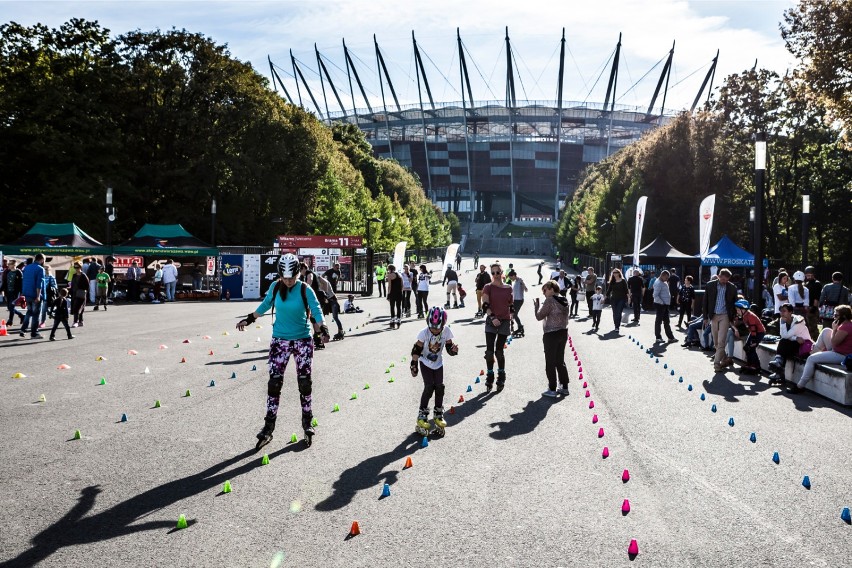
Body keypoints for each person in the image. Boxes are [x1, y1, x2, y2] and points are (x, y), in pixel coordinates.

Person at [235, 253, 329, 449]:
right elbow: (265, 305)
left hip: (302, 340)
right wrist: (250, 318)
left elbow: (317, 310)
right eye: (284, 277)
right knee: (274, 383)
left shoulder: (305, 289)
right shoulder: (276, 287)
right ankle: (268, 428)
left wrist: (324, 328)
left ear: (297, 274)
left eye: (291, 277)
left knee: (304, 383)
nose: (288, 281)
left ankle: (307, 423)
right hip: (280, 341)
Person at [410, 306, 458, 437]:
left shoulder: (447, 331)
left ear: (443, 325)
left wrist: (453, 351)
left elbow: (449, 347)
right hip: (425, 362)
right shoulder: (423, 333)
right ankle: (422, 416)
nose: (435, 330)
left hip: (438, 364)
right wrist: (414, 364)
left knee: (440, 387)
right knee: (429, 387)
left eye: (438, 328)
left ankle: (438, 415)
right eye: (432, 327)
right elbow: (416, 349)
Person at [790, 305, 852, 394]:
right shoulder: (846, 324)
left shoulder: (846, 327)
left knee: (811, 359)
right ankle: (811, 352)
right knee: (826, 330)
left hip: (841, 355)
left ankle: (800, 386)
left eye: (836, 315)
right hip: (838, 350)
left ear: (844, 316)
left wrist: (834, 329)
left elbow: (834, 343)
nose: (834, 317)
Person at [534, 280, 571, 397]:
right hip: (563, 332)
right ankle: (564, 386)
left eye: (545, 290)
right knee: (560, 360)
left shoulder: (550, 300)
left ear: (551, 289)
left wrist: (536, 307)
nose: (544, 293)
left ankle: (552, 388)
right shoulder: (564, 299)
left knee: (550, 362)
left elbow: (539, 316)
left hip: (551, 333)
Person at [481, 263, 513, 392]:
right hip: (491, 320)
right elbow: (485, 305)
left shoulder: (508, 288)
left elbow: (511, 305)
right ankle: (490, 376)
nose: (495, 275)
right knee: (489, 352)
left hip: (505, 321)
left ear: (501, 273)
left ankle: (501, 376)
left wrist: (511, 318)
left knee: (499, 351)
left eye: (497, 272)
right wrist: (493, 317)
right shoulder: (488, 287)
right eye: (493, 273)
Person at [703, 268, 739, 373]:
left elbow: (735, 303)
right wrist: (705, 317)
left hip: (725, 316)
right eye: (722, 279)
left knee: (721, 340)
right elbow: (705, 301)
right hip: (713, 315)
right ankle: (726, 359)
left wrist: (734, 316)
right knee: (716, 342)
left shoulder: (732, 288)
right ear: (719, 276)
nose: (724, 281)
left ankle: (716, 363)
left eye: (726, 279)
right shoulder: (710, 285)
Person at [767, 303, 813, 386]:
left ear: (791, 312)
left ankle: (778, 367)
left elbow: (785, 335)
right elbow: (784, 335)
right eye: (781, 311)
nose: (782, 313)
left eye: (784, 311)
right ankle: (779, 365)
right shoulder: (782, 320)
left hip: (804, 345)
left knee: (783, 343)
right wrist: (795, 338)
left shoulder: (798, 322)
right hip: (793, 343)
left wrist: (783, 325)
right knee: (783, 342)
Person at [734, 299, 765, 374]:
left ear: (743, 309)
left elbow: (753, 328)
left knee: (751, 348)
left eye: (738, 310)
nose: (737, 312)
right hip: (753, 332)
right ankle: (750, 363)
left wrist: (754, 340)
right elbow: (750, 328)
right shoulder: (745, 315)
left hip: (759, 333)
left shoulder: (750, 316)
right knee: (746, 348)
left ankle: (756, 366)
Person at [20, 253, 46, 339]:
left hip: (26, 293)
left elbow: (24, 280)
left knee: (29, 312)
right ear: (42, 259)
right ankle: (34, 333)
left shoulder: (27, 267)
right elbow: (39, 284)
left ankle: (23, 329)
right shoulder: (40, 269)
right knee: (35, 314)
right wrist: (38, 296)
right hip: (35, 294)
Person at [606, 268, 629, 332]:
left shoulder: (623, 280)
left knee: (618, 312)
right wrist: (605, 297)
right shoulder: (612, 281)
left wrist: (629, 298)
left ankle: (617, 326)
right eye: (613, 273)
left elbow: (626, 290)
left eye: (616, 272)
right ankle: (616, 324)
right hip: (613, 299)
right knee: (615, 313)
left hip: (621, 299)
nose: (614, 274)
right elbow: (609, 290)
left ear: (619, 273)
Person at [508, 270, 528, 336]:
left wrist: (524, 286)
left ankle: (520, 327)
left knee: (514, 314)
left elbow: (525, 288)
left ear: (514, 276)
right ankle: (514, 327)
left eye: (511, 278)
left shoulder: (520, 280)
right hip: (515, 300)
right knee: (512, 314)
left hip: (519, 300)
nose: (511, 279)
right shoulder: (515, 281)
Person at [3, 261, 23, 326]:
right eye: (8, 264)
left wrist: (22, 293)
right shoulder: (7, 272)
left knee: (11, 306)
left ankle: (10, 321)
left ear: (14, 264)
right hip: (8, 292)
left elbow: (21, 283)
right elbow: (5, 282)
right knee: (9, 308)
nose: (8, 265)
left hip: (15, 292)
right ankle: (21, 315)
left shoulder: (18, 272)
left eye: (10, 264)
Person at [70, 262, 89, 327]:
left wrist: (83, 290)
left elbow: (87, 285)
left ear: (80, 267)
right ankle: (81, 321)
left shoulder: (83, 275)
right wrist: (70, 289)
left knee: (76, 308)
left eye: (77, 267)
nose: (76, 269)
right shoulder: (74, 275)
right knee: (79, 308)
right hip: (74, 293)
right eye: (75, 267)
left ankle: (75, 322)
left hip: (81, 293)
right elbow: (72, 284)